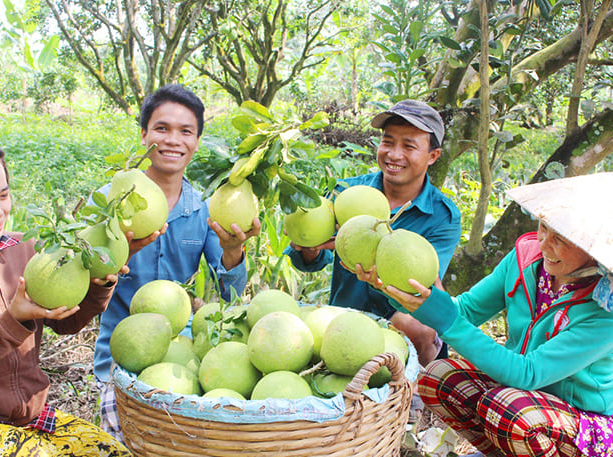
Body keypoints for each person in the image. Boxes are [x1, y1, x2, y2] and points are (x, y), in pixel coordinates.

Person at [355, 173, 613, 457]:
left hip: (583, 424)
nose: (544, 243)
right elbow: (465, 310)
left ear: (594, 250)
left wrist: (448, 320)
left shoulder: (605, 312)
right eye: (543, 226)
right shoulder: (525, 260)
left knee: (509, 412)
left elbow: (528, 373)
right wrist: (394, 287)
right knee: (438, 377)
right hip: (519, 399)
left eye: (561, 238)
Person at [93, 84, 261, 441]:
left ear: (197, 142)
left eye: (186, 131)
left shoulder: (204, 209)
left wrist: (233, 251)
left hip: (181, 354)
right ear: (143, 134)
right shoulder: (110, 203)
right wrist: (122, 252)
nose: (173, 140)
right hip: (120, 354)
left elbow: (227, 294)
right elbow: (88, 284)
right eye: (162, 128)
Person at [0, 142, 130, 456]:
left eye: (4, 195)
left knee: (112, 453)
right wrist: (13, 320)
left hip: (31, 419)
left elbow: (66, 322)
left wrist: (100, 284)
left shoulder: (26, 250)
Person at [285, 99, 461, 366]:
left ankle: (410, 395)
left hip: (400, 324)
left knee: (417, 327)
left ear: (432, 156)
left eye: (409, 146)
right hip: (345, 318)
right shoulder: (346, 193)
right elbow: (310, 260)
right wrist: (309, 246)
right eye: (388, 142)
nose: (394, 154)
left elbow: (418, 285)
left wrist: (371, 263)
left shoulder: (442, 216)